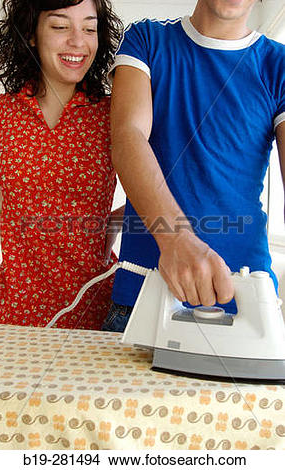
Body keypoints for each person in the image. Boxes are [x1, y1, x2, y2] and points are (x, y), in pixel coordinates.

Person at [102, 0, 285, 332]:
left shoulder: (278, 65)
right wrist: (176, 240)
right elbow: (128, 135)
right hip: (144, 301)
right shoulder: (146, 40)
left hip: (246, 308)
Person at [0, 0, 124, 329]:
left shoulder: (113, 113)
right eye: (61, 26)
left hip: (92, 309)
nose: (78, 41)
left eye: (90, 29)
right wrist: (6, 223)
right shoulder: (3, 111)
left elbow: (161, 182)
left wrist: (110, 228)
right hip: (13, 310)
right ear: (31, 34)